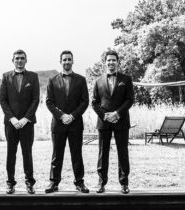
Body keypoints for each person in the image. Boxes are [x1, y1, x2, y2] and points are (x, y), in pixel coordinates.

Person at [45, 50, 90, 194]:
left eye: (69, 59)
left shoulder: (81, 80)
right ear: (60, 61)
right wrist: (62, 116)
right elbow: (49, 102)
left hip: (75, 123)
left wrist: (72, 116)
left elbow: (85, 102)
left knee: (76, 154)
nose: (67, 62)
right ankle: (54, 182)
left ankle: (79, 182)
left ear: (72, 61)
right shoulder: (52, 80)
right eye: (64, 60)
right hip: (58, 124)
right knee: (57, 154)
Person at [91, 50, 134, 194]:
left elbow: (130, 100)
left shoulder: (126, 79)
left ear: (117, 62)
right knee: (103, 153)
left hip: (121, 121)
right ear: (105, 62)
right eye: (108, 60)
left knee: (123, 152)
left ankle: (124, 183)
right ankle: (101, 183)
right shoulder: (98, 81)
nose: (111, 62)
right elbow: (94, 102)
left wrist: (117, 113)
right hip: (104, 122)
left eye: (113, 60)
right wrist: (105, 116)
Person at [0, 49, 40, 194]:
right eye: (17, 58)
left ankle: (30, 183)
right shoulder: (5, 77)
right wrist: (12, 119)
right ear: (13, 60)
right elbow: (2, 100)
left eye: (22, 58)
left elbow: (36, 100)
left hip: (27, 123)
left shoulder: (33, 77)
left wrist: (25, 119)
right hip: (11, 123)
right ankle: (10, 183)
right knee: (11, 153)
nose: (19, 60)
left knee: (27, 153)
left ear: (26, 60)